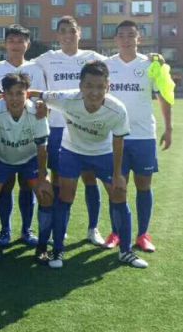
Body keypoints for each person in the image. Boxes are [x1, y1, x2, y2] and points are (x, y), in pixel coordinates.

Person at [33, 60, 148, 269]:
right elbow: (33, 93)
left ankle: (125, 252)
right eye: (89, 86)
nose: (94, 92)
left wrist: (118, 175)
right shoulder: (66, 98)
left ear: (108, 87)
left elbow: (118, 141)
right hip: (72, 151)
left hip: (103, 153)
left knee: (119, 194)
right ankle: (57, 250)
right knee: (65, 197)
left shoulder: (117, 109)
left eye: (100, 87)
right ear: (80, 86)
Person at [35, 16, 107, 246]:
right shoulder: (46, 59)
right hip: (57, 128)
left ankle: (93, 228)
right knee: (59, 180)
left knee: (90, 179)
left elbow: (121, 63)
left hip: (87, 127)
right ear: (57, 35)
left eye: (72, 31)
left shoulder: (93, 58)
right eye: (63, 31)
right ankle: (61, 227)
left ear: (79, 33)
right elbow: (20, 64)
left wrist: (151, 59)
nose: (68, 35)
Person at [103, 20, 173, 252]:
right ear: (115, 39)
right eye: (121, 35)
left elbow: (164, 96)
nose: (126, 39)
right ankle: (116, 232)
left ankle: (143, 234)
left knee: (144, 185)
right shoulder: (106, 65)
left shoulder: (151, 65)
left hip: (143, 136)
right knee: (117, 187)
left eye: (131, 35)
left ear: (138, 38)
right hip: (115, 137)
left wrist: (169, 128)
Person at [0, 73, 52, 261]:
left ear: (27, 94)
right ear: (3, 95)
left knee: (46, 194)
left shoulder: (37, 111)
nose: (15, 98)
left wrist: (43, 177)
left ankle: (40, 244)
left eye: (19, 93)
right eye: (10, 93)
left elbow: (42, 148)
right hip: (3, 160)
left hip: (30, 160)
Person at [0, 25, 46, 247]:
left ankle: (27, 230)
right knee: (6, 186)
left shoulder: (36, 68)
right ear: (5, 44)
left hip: (29, 133)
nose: (16, 45)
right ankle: (5, 229)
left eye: (20, 41)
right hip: (4, 136)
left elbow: (41, 98)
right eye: (11, 40)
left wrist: (42, 105)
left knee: (28, 186)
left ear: (27, 44)